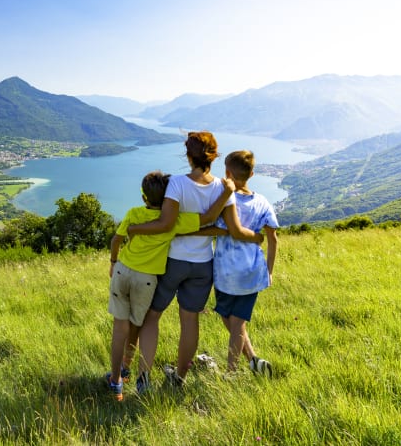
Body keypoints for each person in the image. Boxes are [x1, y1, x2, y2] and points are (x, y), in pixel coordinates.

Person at [128, 131, 262, 394]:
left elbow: (167, 223)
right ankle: (179, 378)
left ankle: (143, 378)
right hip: (203, 265)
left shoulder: (177, 183)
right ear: (213, 157)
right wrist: (257, 237)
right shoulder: (225, 189)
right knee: (190, 321)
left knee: (152, 316)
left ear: (189, 156)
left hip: (173, 262)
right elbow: (233, 229)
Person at [105, 169, 233, 401]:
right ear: (167, 200)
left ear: (144, 197)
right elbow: (206, 219)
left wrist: (113, 261)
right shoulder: (173, 221)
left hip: (124, 270)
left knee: (124, 327)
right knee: (147, 322)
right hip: (150, 277)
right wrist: (226, 193)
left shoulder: (134, 213)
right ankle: (150, 377)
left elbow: (116, 239)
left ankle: (117, 379)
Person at [213, 150, 279, 377]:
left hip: (224, 272)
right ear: (252, 173)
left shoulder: (223, 198)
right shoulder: (262, 202)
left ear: (227, 172)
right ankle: (252, 360)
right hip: (251, 273)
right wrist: (269, 271)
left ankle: (231, 372)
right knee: (235, 322)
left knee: (233, 320)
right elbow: (273, 238)